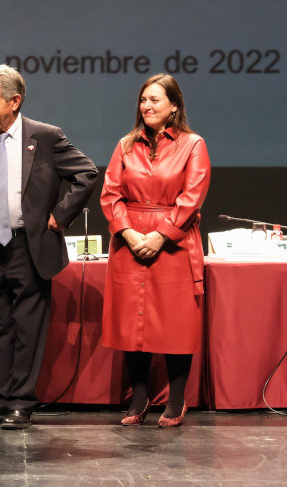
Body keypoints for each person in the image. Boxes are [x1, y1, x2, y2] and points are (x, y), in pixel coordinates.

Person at [0, 65, 98, 429]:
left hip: (30, 247)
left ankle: (21, 403)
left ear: (15, 100)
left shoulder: (45, 137)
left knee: (28, 328)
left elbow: (86, 172)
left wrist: (61, 214)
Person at [100, 73, 211, 428]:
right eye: (143, 100)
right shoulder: (125, 145)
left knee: (175, 323)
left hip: (174, 243)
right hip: (129, 241)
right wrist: (129, 233)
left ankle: (176, 399)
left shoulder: (193, 145)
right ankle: (140, 396)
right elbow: (111, 194)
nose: (147, 106)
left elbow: (192, 197)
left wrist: (160, 236)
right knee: (134, 323)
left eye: (155, 100)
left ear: (174, 105)